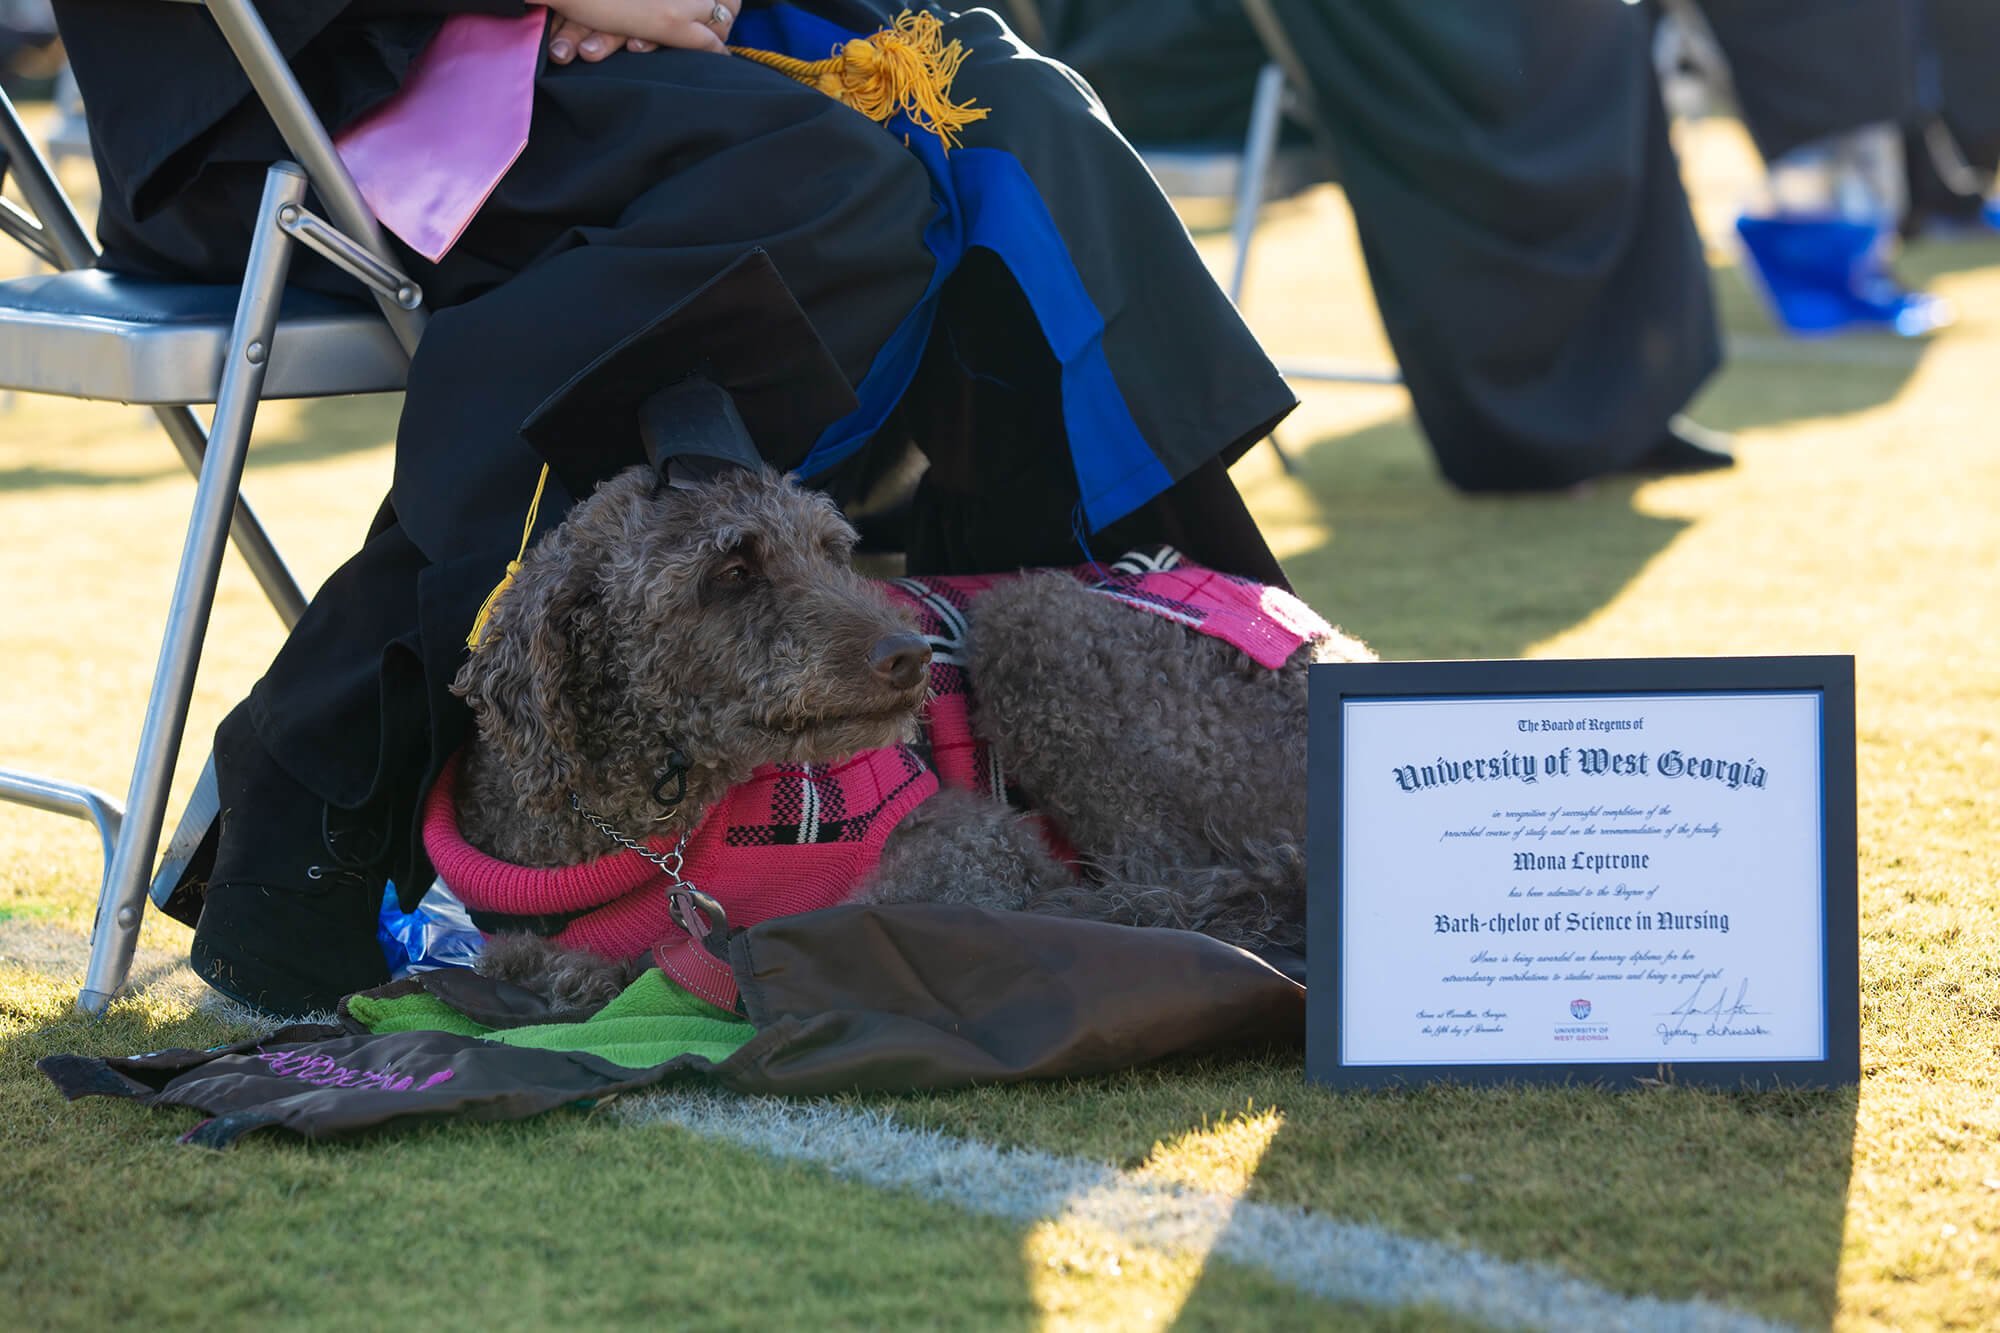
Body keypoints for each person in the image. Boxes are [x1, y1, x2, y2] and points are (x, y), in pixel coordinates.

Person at [52, 0, 1298, 1014]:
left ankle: (1227, 690)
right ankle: (327, 758)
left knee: (1007, 105)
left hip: (609, 42)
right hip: (307, 66)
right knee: (824, 182)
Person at [1037, 0, 1732, 494]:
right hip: (1174, 41)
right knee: (1472, 60)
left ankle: (1624, 400)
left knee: (1596, 21)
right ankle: (1529, 421)